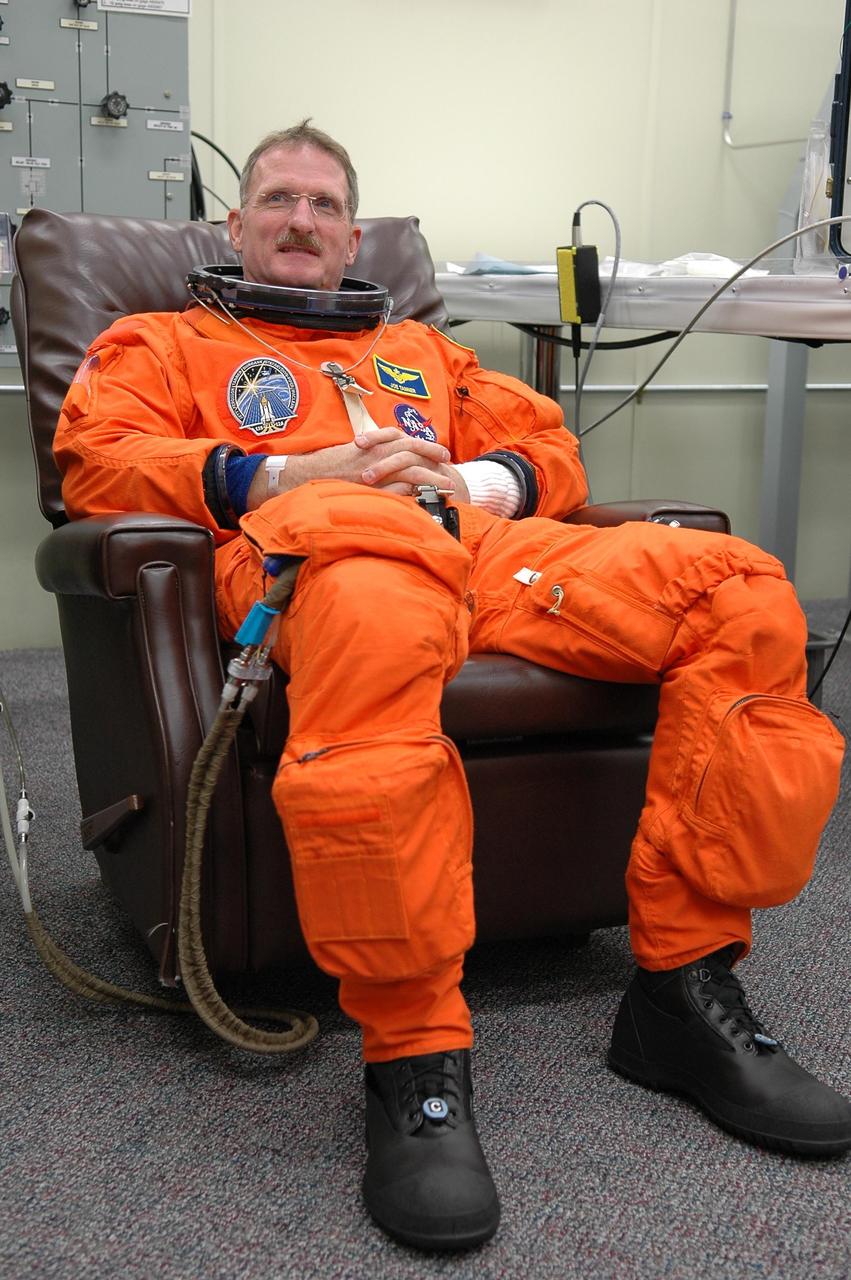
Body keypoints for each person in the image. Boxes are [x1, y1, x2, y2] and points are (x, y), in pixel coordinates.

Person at [54, 120, 850, 1252]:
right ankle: (413, 1049)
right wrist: (287, 471)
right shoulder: (163, 342)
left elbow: (549, 451)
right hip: (317, 562)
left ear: (351, 237)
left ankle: (683, 985)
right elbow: (99, 460)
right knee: (377, 609)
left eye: (325, 206)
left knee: (742, 592)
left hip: (476, 552)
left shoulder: (423, 352)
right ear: (234, 226)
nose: (300, 220)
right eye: (278, 199)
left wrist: (475, 483)